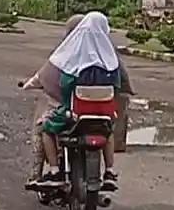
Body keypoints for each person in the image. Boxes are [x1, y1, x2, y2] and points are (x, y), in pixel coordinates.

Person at [24, 11, 132, 190]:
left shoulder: (70, 56)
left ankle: (50, 172)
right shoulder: (111, 60)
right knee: (108, 131)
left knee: (44, 128)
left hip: (73, 113)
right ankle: (110, 171)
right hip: (103, 115)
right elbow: (121, 84)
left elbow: (53, 79)